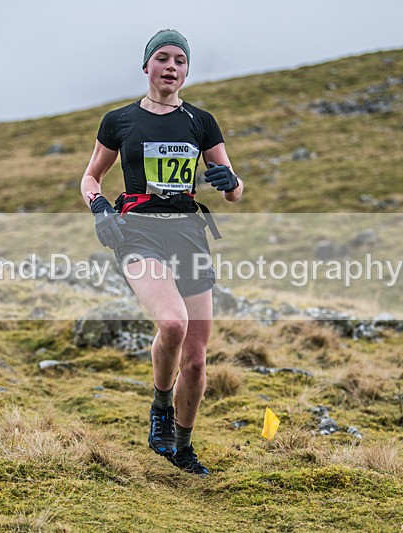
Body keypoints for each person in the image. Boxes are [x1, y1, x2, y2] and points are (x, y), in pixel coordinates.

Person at [79, 29, 243, 477]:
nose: (171, 67)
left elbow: (231, 184)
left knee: (196, 357)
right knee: (172, 324)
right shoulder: (119, 121)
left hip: (189, 234)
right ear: (146, 66)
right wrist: (98, 208)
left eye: (180, 61)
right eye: (163, 58)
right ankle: (160, 408)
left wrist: (232, 183)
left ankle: (184, 448)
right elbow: (91, 177)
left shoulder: (201, 122)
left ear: (186, 71)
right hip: (139, 233)